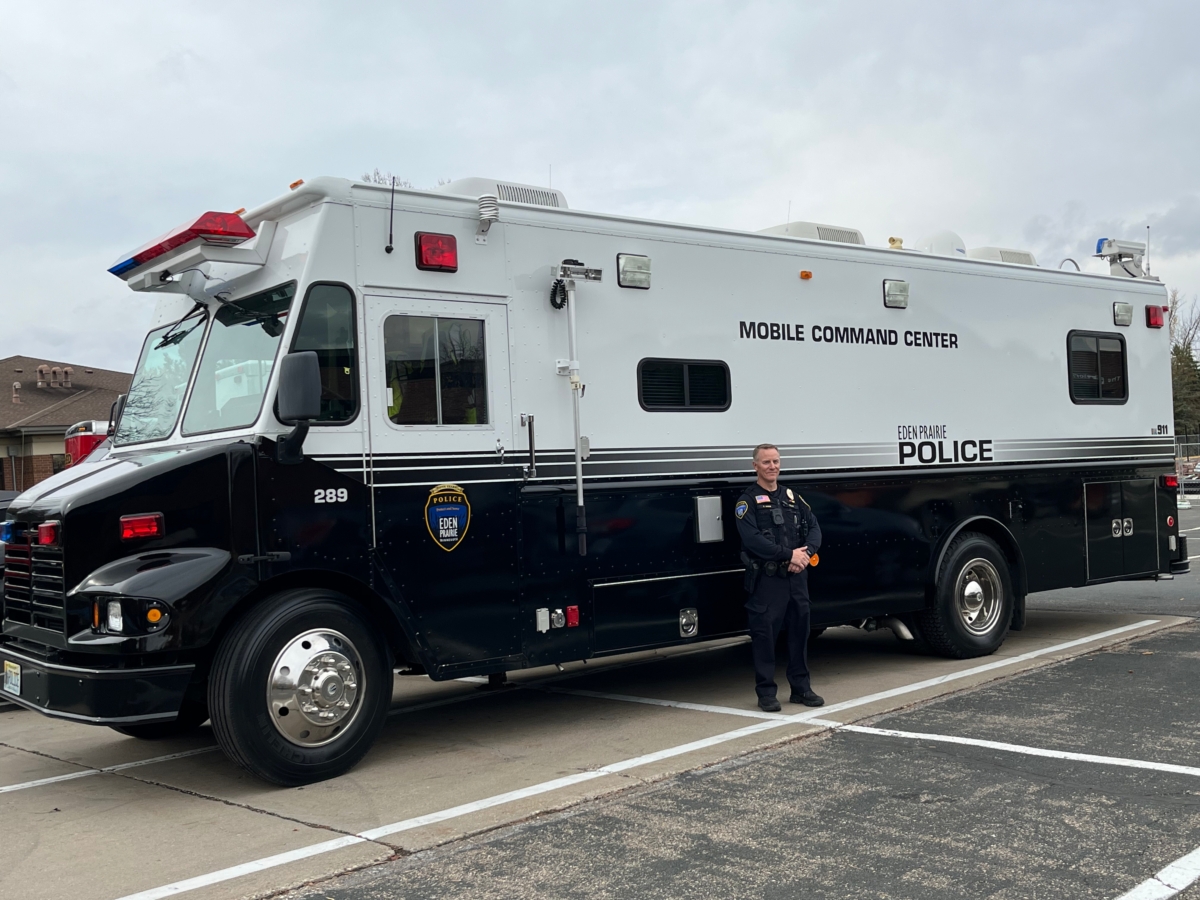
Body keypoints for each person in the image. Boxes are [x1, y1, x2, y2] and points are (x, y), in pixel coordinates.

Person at [735, 443, 824, 712]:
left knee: (800, 632)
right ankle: (766, 693)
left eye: (775, 461)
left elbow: (815, 529)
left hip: (797, 578)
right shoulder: (747, 502)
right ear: (755, 466)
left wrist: (805, 554)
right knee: (765, 637)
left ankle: (801, 688)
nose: (772, 466)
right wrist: (788, 555)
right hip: (768, 581)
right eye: (766, 462)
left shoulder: (793, 497)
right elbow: (752, 541)